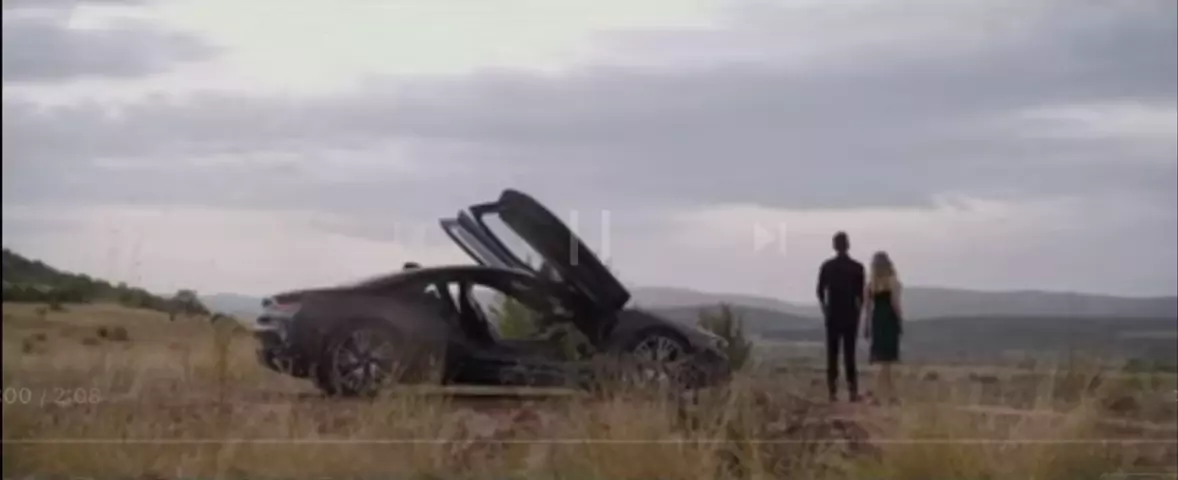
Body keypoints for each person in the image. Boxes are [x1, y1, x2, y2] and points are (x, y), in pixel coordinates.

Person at [816, 231, 866, 403]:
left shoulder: (827, 267)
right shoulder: (857, 268)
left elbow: (820, 291)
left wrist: (825, 309)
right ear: (848, 245)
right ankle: (853, 390)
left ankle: (832, 391)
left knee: (832, 353)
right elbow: (861, 295)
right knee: (850, 354)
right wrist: (858, 312)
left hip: (833, 314)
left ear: (834, 246)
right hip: (851, 314)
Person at [863, 251, 903, 405]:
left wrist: (866, 325)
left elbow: (867, 308)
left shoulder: (870, 285)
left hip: (877, 320)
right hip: (889, 320)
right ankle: (879, 396)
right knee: (886, 362)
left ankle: (891, 396)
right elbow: (895, 303)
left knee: (883, 361)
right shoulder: (893, 282)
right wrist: (899, 321)